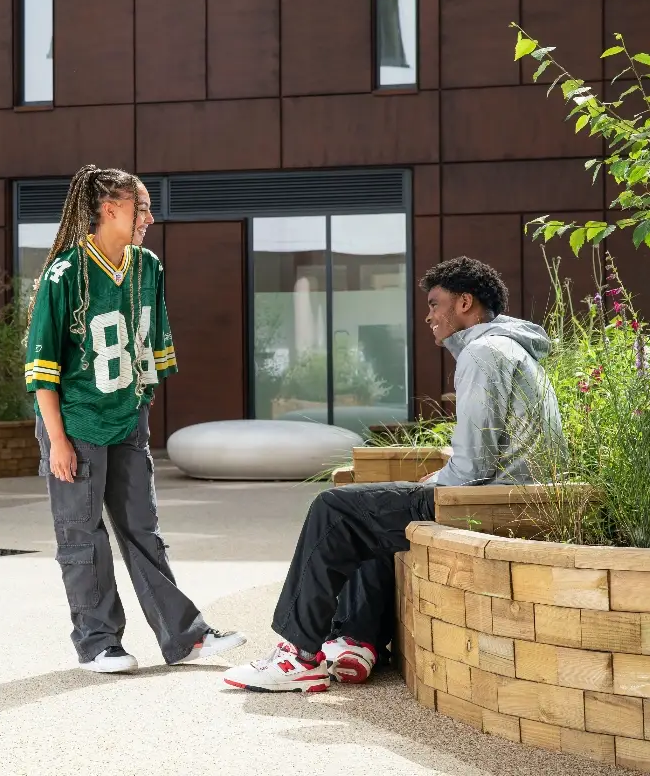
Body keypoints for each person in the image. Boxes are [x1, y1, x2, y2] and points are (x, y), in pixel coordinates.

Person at [222, 256, 563, 692]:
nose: (428, 315)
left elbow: (474, 467)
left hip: (488, 501)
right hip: (513, 496)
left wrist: (433, 483)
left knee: (335, 509)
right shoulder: (510, 348)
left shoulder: (482, 353)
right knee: (372, 509)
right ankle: (357, 638)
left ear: (464, 302)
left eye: (435, 303)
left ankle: (298, 656)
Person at [25, 164, 248, 674]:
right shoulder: (65, 274)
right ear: (110, 210)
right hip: (76, 423)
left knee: (143, 529)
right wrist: (57, 441)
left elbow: (151, 351)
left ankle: (184, 638)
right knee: (82, 534)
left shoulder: (149, 268)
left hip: (127, 417)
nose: (150, 216)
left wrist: (140, 416)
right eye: (140, 207)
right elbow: (42, 371)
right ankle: (98, 642)